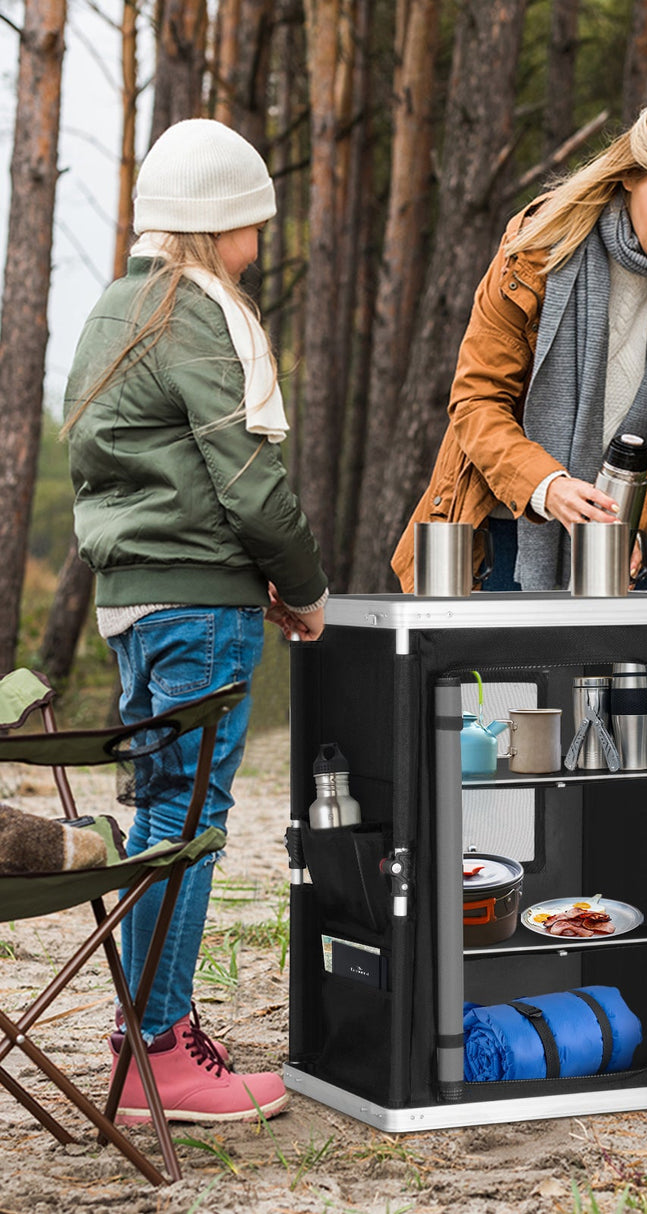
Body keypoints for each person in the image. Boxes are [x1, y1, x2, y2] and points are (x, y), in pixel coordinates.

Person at [63, 118, 328, 1124]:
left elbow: (134, 470)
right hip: (199, 608)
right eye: (252, 228)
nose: (257, 248)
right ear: (218, 226)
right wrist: (301, 589)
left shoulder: (111, 311)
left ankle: (150, 1033)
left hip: (131, 603)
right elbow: (252, 485)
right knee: (187, 821)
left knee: (160, 812)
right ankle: (161, 1050)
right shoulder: (196, 312)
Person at [390, 88, 647, 592]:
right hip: (506, 535)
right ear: (631, 174)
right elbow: (476, 400)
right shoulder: (537, 250)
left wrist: (638, 524)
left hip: (641, 549)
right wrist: (547, 487)